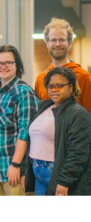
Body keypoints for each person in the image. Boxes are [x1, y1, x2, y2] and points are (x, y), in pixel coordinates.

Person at [24, 67, 91, 195]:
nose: (54, 89)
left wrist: (64, 181)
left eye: (59, 86)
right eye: (50, 86)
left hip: (57, 173)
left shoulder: (78, 114)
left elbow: (78, 152)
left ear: (71, 87)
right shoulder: (43, 107)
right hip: (37, 170)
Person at [0, 45, 39, 196]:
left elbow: (26, 133)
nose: (3, 67)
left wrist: (16, 165)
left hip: (13, 172)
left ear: (17, 65)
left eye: (8, 62)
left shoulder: (24, 93)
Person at [35, 17, 91, 115]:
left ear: (69, 43)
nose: (57, 44)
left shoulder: (84, 77)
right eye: (53, 40)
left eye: (62, 40)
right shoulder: (40, 80)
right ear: (47, 43)